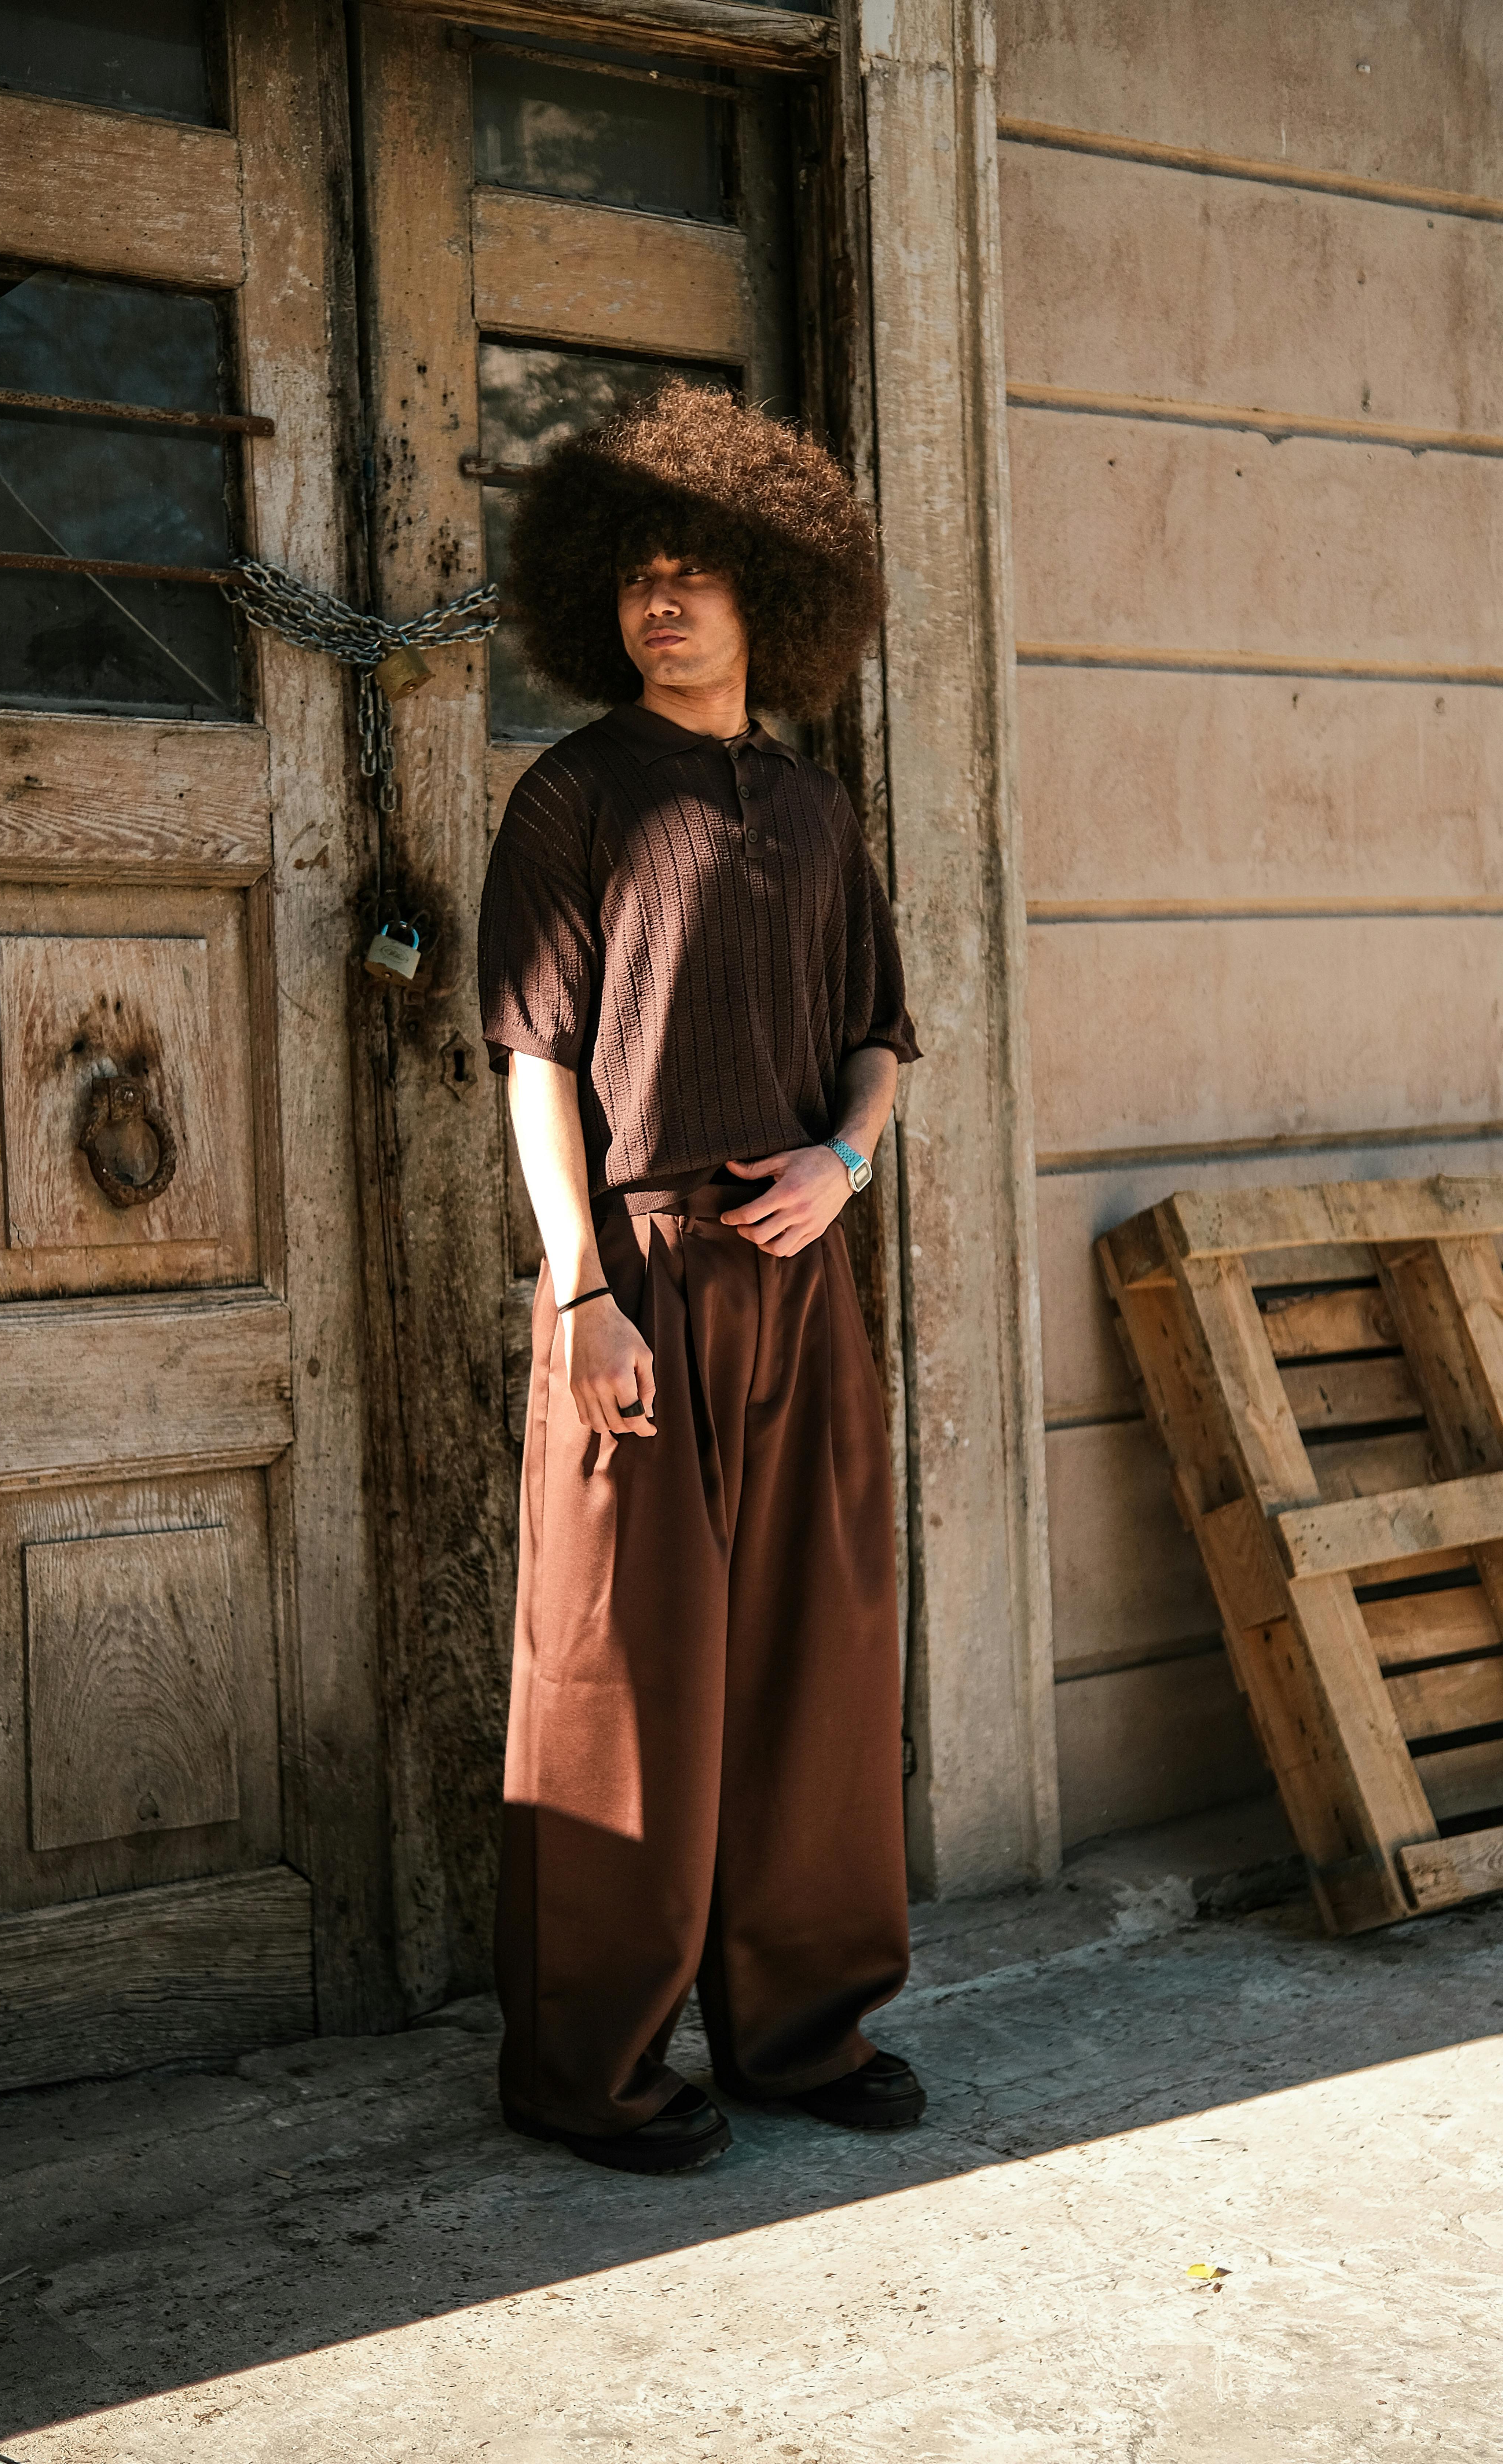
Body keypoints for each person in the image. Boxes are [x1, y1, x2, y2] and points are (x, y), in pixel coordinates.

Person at [477, 380, 924, 2175]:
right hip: (635, 1279)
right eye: (639, 579)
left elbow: (883, 1035)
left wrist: (848, 1160)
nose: (663, 604)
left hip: (799, 1269)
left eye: (698, 575)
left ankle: (803, 2033)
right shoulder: (574, 793)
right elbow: (535, 1058)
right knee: (614, 1674)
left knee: (817, 1657)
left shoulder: (817, 810)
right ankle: (591, 2066)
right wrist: (580, 1293)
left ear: (770, 594)